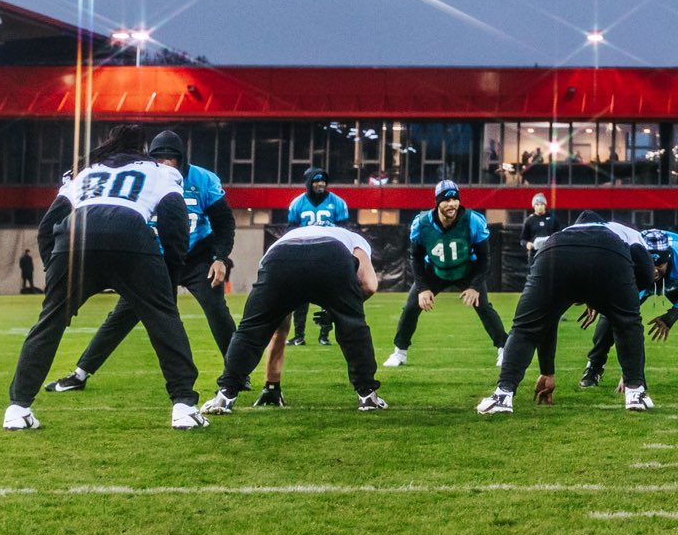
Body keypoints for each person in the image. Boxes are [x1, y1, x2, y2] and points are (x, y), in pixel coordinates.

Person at [4, 126, 204, 431]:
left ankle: (18, 408)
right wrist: (169, 277)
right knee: (164, 319)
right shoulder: (162, 172)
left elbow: (47, 227)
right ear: (143, 150)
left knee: (49, 322)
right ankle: (184, 407)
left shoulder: (84, 172)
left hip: (75, 239)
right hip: (130, 236)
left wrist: (55, 272)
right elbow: (174, 226)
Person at [44, 130, 238, 394]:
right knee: (121, 317)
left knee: (216, 309)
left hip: (196, 257)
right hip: (156, 257)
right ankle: (80, 373)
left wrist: (220, 258)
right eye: (159, 157)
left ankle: (237, 372)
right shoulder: (148, 175)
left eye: (171, 158)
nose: (166, 163)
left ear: (182, 159)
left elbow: (224, 223)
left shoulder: (203, 179)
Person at [201, 220, 386, 414]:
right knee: (352, 328)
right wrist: (338, 313)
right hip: (331, 256)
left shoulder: (283, 240)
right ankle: (367, 396)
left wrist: (272, 384)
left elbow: (278, 327)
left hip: (280, 259)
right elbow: (369, 285)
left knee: (250, 331)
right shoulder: (353, 239)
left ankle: (225, 395)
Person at [479, 217, 656, 414]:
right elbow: (647, 274)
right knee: (628, 324)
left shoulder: (564, 233)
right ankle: (635, 393)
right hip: (609, 257)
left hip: (554, 253)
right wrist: (618, 301)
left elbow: (547, 321)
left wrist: (547, 372)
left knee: (525, 329)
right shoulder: (625, 232)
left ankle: (503, 394)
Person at [579, 227, 678, 389]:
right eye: (649, 262)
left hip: (676, 281)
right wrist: (598, 299)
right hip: (637, 279)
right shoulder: (625, 261)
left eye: (659, 263)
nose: (654, 269)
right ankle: (594, 366)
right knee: (611, 318)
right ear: (639, 259)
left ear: (668, 258)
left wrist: (673, 315)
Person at [384, 181, 506, 368]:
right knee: (410, 308)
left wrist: (474, 286)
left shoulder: (473, 220)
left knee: (484, 307)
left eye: (455, 199)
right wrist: (423, 288)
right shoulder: (422, 223)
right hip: (435, 270)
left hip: (466, 269)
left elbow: (484, 258)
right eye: (447, 199)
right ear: (437, 202)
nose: (452, 204)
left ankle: (504, 349)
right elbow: (415, 257)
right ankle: (399, 352)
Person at [285, 168, 351, 346]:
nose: (320, 184)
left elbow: (345, 229)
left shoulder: (337, 202)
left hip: (328, 253)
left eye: (323, 180)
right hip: (304, 253)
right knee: (300, 297)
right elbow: (291, 229)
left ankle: (324, 335)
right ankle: (299, 336)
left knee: (328, 296)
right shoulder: (298, 203)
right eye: (316, 180)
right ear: (308, 183)